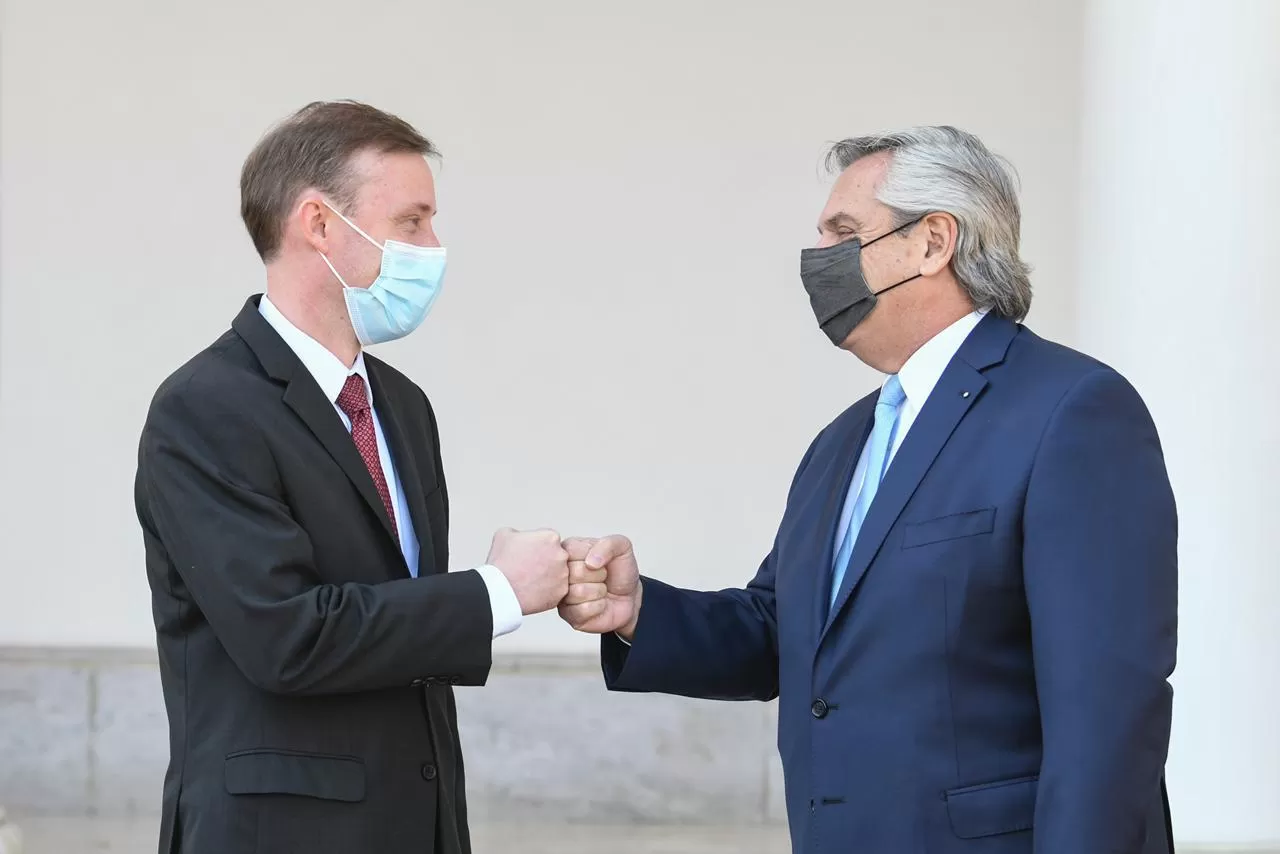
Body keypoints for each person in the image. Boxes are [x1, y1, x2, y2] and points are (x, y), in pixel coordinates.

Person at [559, 126, 1178, 853]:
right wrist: (638, 612)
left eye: (844, 231)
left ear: (933, 242)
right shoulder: (844, 441)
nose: (820, 257)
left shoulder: (1072, 411)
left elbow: (1106, 712)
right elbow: (780, 631)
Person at [134, 101, 570, 854]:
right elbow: (287, 638)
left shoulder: (400, 406)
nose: (433, 246)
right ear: (320, 225)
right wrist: (497, 591)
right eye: (411, 221)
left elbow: (396, 625)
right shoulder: (204, 410)